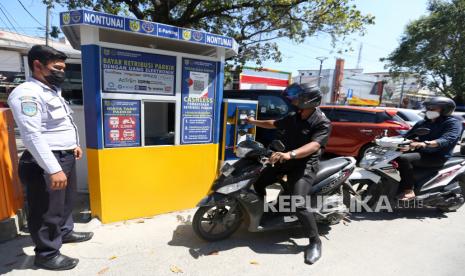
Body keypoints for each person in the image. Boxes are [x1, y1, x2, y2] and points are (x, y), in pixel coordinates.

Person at [7, 45, 93, 271]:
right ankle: (46, 253)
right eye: (57, 67)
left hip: (64, 155)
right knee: (46, 210)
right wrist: (53, 169)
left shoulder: (51, 90)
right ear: (37, 65)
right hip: (46, 161)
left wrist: (72, 144)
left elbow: (58, 124)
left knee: (65, 201)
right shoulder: (27, 93)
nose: (62, 72)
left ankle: (64, 232)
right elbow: (32, 135)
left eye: (63, 68)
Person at [246, 83, 331, 265]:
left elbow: (314, 145)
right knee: (259, 182)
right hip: (284, 158)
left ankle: (315, 241)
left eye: (297, 97)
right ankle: (269, 211)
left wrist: (290, 154)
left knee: (298, 202)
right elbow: (274, 123)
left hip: (305, 164)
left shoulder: (322, 122)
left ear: (309, 101)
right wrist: (254, 122)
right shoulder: (295, 115)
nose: (293, 100)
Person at [397, 96, 462, 200]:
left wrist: (425, 144)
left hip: (438, 156)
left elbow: (447, 139)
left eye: (433, 108)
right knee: (394, 155)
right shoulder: (423, 123)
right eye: (428, 108)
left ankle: (409, 190)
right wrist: (386, 140)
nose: (429, 111)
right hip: (423, 153)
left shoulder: (452, 123)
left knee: (404, 159)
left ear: (445, 110)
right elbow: (407, 136)